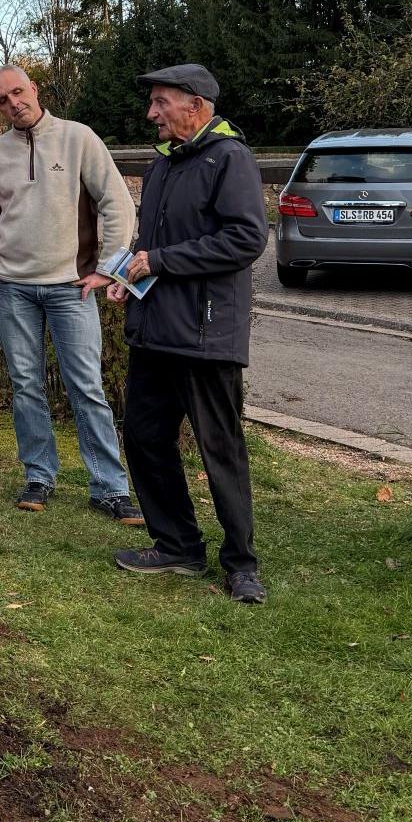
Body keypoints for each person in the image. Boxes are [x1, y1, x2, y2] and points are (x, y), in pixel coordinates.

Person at [0, 65, 143, 522]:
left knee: (86, 387)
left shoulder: (79, 138)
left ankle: (110, 487)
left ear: (34, 89)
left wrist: (109, 271)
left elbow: (117, 202)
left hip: (70, 289)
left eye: (18, 92)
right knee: (26, 386)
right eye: (2, 99)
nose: (13, 102)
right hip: (13, 289)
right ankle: (39, 475)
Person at [108, 64, 269, 604]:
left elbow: (246, 239)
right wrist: (127, 274)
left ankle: (241, 563)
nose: (151, 113)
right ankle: (177, 544)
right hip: (155, 330)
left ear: (195, 105)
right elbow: (150, 243)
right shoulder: (162, 166)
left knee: (218, 447)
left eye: (160, 102)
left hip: (205, 335)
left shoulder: (231, 159)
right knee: (144, 437)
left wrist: (161, 260)